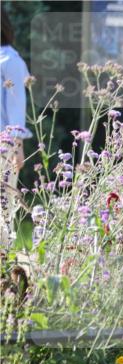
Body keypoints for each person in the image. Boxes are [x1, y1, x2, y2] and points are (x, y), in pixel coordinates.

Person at [1, 11, 32, 243]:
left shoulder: (10, 61)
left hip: (3, 150)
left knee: (2, 216)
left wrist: (17, 147)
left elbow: (15, 104)